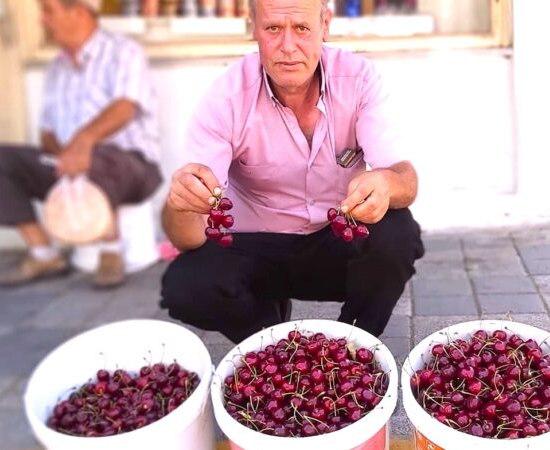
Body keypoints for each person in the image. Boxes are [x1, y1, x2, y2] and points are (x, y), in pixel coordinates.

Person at [159, 0, 424, 343]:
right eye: (273, 29)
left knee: (397, 233)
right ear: (253, 28)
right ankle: (269, 343)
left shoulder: (358, 79)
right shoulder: (225, 97)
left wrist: (385, 184)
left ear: (324, 25)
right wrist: (181, 203)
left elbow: (405, 178)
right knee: (184, 286)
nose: (287, 46)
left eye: (301, 28)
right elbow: (186, 236)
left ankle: (353, 347)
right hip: (256, 248)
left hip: (335, 240)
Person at [0, 0, 161, 289]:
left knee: (95, 156)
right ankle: (42, 253)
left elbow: (125, 108)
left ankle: (111, 250)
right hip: (67, 166)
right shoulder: (56, 68)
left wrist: (82, 142)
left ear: (79, 11)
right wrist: (63, 154)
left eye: (48, 11)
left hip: (130, 166)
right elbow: (47, 132)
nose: (42, 21)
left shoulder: (123, 52)